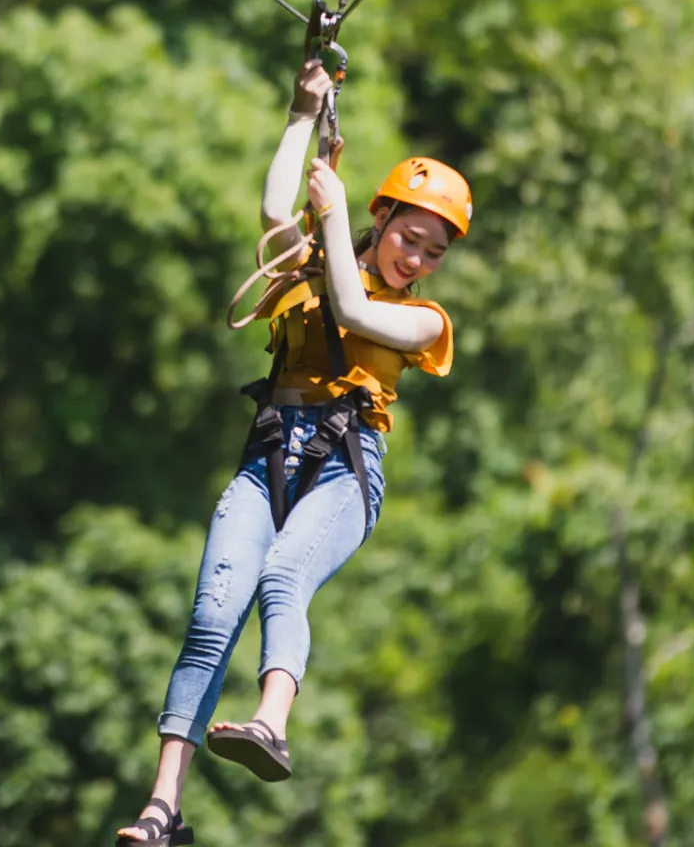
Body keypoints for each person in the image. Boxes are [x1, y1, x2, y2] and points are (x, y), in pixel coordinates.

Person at [115, 60, 472, 846]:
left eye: (433, 252)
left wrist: (339, 219)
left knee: (283, 576)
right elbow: (278, 208)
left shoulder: (425, 324)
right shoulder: (302, 277)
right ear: (386, 219)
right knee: (212, 616)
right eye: (409, 239)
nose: (416, 260)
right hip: (269, 454)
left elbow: (353, 302)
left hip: (347, 468)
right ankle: (162, 808)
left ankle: (271, 725)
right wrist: (300, 113)